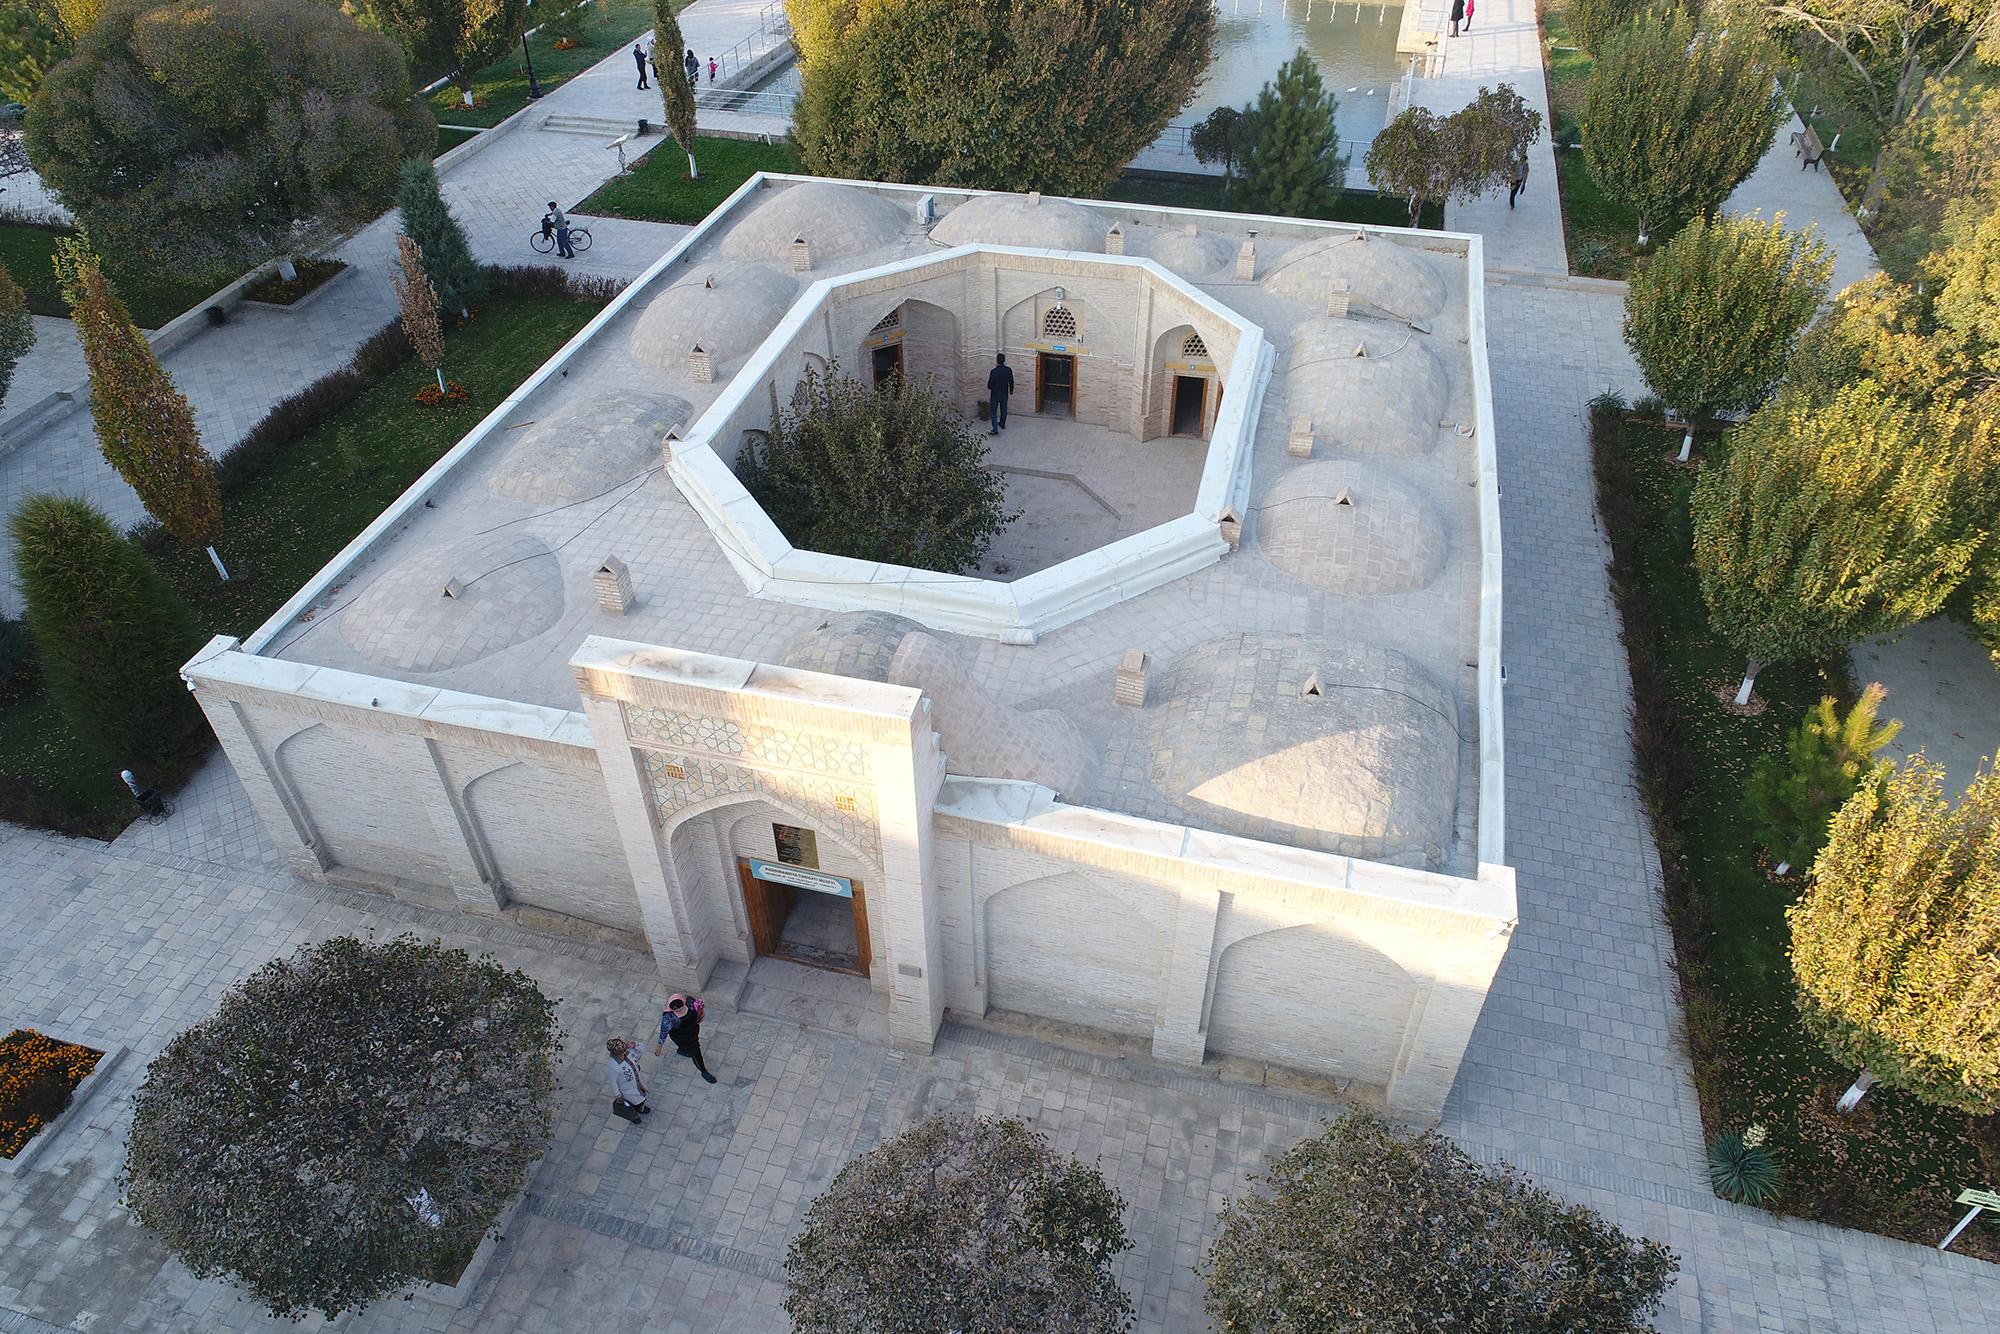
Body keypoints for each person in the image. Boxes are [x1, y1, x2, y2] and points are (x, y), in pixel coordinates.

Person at [654, 993, 718, 1083]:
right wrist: (659, 1046)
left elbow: (699, 1007)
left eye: (680, 1008)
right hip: (681, 1038)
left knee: (691, 1048)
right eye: (676, 1010)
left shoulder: (690, 1002)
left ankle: (683, 1051)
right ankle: (704, 1071)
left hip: (693, 1033)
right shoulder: (668, 1016)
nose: (679, 1011)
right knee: (696, 1052)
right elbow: (664, 1031)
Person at [606, 1037, 651, 1122]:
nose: (625, 1053)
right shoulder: (613, 1066)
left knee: (642, 1098)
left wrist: (635, 1044)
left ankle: (640, 1108)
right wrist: (618, 1095)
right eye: (622, 1053)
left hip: (639, 1083)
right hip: (628, 1091)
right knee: (632, 1104)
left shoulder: (630, 1051)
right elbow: (613, 1083)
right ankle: (634, 1115)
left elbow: (644, 1049)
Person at [986, 352, 1014, 435]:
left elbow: (990, 386)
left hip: (995, 395)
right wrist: (1011, 390)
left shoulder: (993, 372)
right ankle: (1002, 424)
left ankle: (995, 429)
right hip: (1004, 394)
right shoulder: (1008, 370)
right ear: (1004, 361)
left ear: (997, 361)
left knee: (993, 412)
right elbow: (1011, 381)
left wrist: (990, 386)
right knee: (1004, 409)